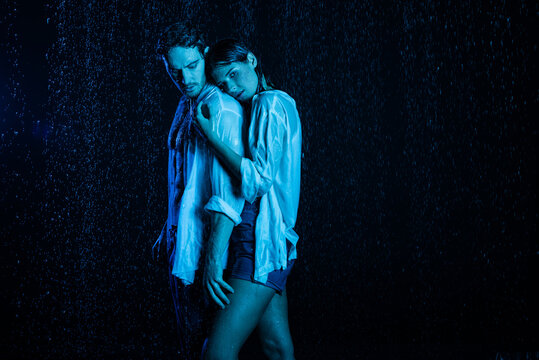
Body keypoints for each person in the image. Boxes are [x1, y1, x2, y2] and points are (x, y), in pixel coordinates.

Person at [195, 39, 302, 360]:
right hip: (265, 240)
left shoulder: (270, 103)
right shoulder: (264, 105)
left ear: (252, 60)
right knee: (276, 348)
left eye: (233, 73)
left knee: (216, 353)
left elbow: (258, 180)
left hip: (261, 244)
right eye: (222, 82)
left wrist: (210, 135)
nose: (229, 86)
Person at [151, 25, 246, 360]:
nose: (185, 77)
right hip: (180, 239)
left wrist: (212, 263)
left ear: (205, 54)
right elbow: (183, 177)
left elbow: (229, 197)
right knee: (188, 344)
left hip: (205, 249)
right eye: (175, 71)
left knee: (207, 349)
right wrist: (169, 226)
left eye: (192, 66)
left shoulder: (222, 109)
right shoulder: (185, 101)